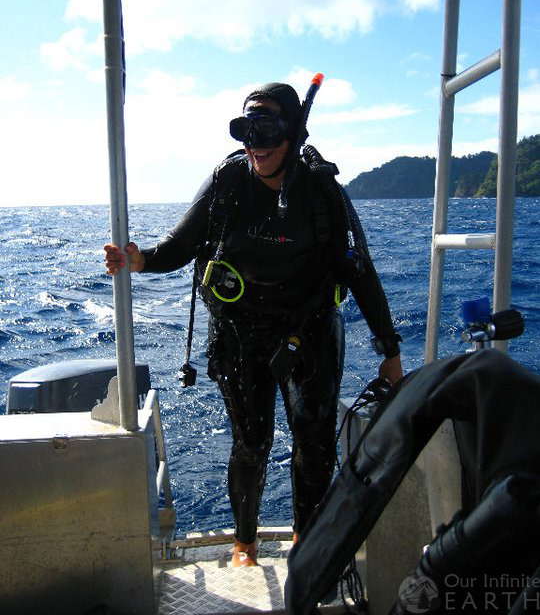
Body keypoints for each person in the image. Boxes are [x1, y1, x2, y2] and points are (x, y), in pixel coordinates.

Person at [104, 81, 403, 567]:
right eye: (247, 129)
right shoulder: (228, 182)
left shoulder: (322, 191)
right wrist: (139, 260)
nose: (256, 144)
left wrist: (390, 351)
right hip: (241, 334)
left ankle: (307, 541)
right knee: (251, 442)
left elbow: (360, 270)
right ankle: (244, 543)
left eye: (268, 129)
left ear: (294, 132)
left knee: (315, 442)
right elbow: (180, 247)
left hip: (311, 331)